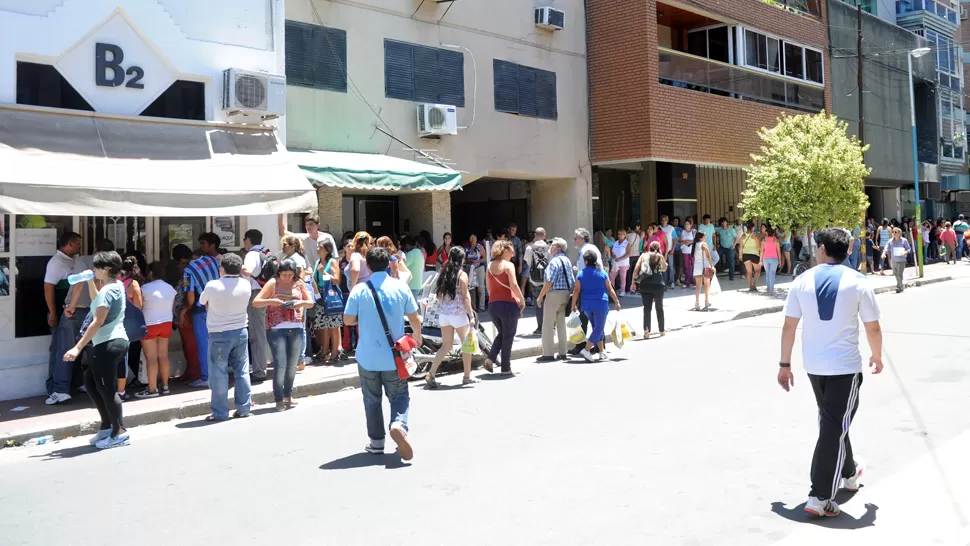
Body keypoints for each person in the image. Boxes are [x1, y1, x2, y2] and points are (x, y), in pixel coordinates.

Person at [778, 227, 882, 518]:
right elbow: (872, 326)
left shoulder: (801, 281)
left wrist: (784, 365)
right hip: (844, 368)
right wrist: (877, 355)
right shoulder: (858, 282)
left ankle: (850, 473)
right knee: (833, 426)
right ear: (848, 250)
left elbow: (789, 326)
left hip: (814, 367)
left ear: (822, 249)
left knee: (832, 422)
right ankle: (820, 495)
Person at [343, 247, 422, 461]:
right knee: (399, 395)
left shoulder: (359, 290)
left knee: (371, 399)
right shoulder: (400, 287)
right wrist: (417, 335)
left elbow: (348, 320)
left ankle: (377, 443)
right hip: (394, 357)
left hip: (367, 356)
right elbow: (414, 316)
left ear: (367, 266)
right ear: (389, 264)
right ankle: (398, 425)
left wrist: (365, 319)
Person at [62, 251, 130, 449]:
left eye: (97, 267)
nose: (94, 270)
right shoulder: (113, 286)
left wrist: (77, 347)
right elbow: (96, 303)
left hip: (109, 342)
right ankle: (107, 426)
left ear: (107, 269)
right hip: (110, 342)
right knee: (92, 384)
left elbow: (97, 321)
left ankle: (120, 432)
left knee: (107, 390)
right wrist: (90, 281)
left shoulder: (110, 290)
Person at [198, 253, 253, 421]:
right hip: (241, 330)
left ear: (222, 269)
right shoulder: (246, 284)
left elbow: (202, 301)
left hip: (219, 334)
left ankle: (220, 412)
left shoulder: (213, 285)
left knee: (219, 372)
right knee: (242, 370)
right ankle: (244, 407)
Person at [254, 259, 313, 411]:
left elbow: (310, 302)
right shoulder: (273, 283)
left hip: (296, 327)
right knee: (280, 364)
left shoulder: (299, 283)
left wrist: (300, 304)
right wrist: (272, 300)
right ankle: (279, 398)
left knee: (292, 364)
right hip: (276, 328)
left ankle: (288, 394)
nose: (287, 277)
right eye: (284, 274)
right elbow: (256, 302)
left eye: (290, 274)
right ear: (279, 272)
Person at [425, 246, 479, 388]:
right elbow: (466, 297)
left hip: (444, 315)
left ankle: (431, 373)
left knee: (446, 346)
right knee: (466, 347)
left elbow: (438, 295)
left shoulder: (443, 273)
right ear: (461, 259)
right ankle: (467, 377)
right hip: (459, 315)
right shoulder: (462, 275)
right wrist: (471, 315)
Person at [44, 231, 83, 405]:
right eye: (78, 244)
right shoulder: (56, 262)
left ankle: (74, 384)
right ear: (70, 244)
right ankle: (54, 388)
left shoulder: (74, 261)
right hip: (61, 312)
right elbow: (48, 288)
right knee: (58, 350)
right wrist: (52, 312)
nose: (80, 247)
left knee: (75, 349)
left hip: (73, 313)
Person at [179, 232, 222, 389]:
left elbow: (190, 298)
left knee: (203, 344)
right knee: (217, 342)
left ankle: (206, 377)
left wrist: (184, 310)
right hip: (218, 307)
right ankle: (219, 373)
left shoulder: (189, 270)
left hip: (201, 309)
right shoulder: (214, 261)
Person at [133, 262, 175, 398]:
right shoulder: (170, 288)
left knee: (151, 358)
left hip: (149, 323)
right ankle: (166, 386)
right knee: (163, 356)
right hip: (166, 323)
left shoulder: (144, 288)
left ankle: (152, 389)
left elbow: (137, 306)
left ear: (150, 273)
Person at [484, 240, 526, 375]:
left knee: (503, 333)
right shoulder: (508, 265)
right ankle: (505, 368)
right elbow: (514, 285)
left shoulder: (489, 266)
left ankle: (490, 360)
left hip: (493, 305)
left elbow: (488, 288)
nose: (513, 252)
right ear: (504, 250)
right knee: (508, 336)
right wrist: (522, 299)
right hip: (508, 304)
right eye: (511, 249)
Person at [572, 249, 622, 362]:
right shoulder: (603, 273)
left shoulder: (581, 273)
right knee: (599, 328)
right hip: (601, 303)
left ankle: (602, 351)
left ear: (585, 262)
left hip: (587, 305)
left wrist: (573, 304)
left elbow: (576, 291)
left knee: (597, 328)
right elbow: (609, 289)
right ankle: (587, 349)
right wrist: (617, 301)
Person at [535, 238, 575, 362]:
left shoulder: (554, 262)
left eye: (552, 246)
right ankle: (563, 352)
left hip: (554, 294)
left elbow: (549, 282)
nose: (549, 248)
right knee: (561, 324)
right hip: (565, 294)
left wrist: (540, 296)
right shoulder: (567, 260)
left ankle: (548, 353)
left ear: (558, 249)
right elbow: (572, 279)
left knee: (547, 324)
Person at [241, 229, 271, 384]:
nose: (244, 242)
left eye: (245, 239)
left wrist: (235, 266)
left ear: (249, 240)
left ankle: (259, 370)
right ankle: (260, 366)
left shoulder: (252, 254)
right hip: (264, 292)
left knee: (256, 332)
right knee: (258, 331)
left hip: (255, 294)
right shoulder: (265, 252)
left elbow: (247, 271)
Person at [568, 228, 603, 356]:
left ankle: (581, 346)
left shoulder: (584, 251)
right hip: (596, 288)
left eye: (575, 238)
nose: (574, 240)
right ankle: (598, 346)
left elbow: (584, 273)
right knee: (596, 319)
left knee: (584, 318)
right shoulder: (593, 248)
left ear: (582, 239)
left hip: (587, 290)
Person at [312, 239, 343, 362]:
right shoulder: (317, 262)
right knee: (323, 325)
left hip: (331, 295)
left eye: (320, 247)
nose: (317, 249)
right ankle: (325, 350)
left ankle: (335, 353)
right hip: (320, 295)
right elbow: (315, 279)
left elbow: (336, 280)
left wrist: (324, 272)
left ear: (327, 249)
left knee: (334, 325)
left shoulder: (333, 262)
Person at [118, 256, 144, 399]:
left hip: (118, 321)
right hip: (130, 323)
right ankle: (132, 380)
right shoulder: (133, 284)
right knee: (132, 354)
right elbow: (139, 307)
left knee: (121, 356)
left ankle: (119, 385)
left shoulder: (117, 283)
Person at [631, 241, 667, 339]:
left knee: (647, 308)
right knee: (659, 308)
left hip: (645, 284)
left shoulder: (643, 256)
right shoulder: (660, 256)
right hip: (658, 284)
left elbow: (636, 270)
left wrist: (633, 283)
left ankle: (646, 331)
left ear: (649, 247)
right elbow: (664, 269)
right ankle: (662, 330)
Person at [524, 228, 550, 333]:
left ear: (535, 235)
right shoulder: (549, 248)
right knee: (548, 304)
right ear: (545, 235)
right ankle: (551, 327)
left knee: (538, 304)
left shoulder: (530, 248)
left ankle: (540, 328)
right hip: (547, 281)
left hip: (535, 280)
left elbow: (527, 261)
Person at [882, 227, 912, 293]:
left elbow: (909, 249)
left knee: (899, 274)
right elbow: (886, 247)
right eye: (893, 232)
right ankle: (901, 286)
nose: (893, 233)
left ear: (899, 233)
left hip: (901, 260)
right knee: (895, 274)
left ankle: (899, 287)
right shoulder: (890, 241)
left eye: (895, 232)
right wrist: (884, 253)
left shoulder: (904, 240)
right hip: (894, 260)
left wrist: (905, 252)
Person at [465, 234, 487, 312]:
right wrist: (469, 262)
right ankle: (473, 307)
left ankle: (482, 306)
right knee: (472, 288)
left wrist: (476, 261)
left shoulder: (480, 247)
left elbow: (485, 258)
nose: (472, 238)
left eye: (474, 237)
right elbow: (465, 259)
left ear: (476, 239)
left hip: (479, 268)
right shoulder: (467, 248)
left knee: (481, 287)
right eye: (471, 237)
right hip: (471, 269)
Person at [402, 236, 426, 302]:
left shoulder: (411, 253)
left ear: (406, 245)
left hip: (411, 285)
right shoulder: (418, 252)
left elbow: (402, 265)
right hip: (417, 284)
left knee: (413, 309)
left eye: (404, 247)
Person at [739, 221, 761, 291]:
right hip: (754, 255)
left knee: (749, 272)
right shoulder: (755, 235)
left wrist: (740, 255)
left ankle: (750, 286)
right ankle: (754, 284)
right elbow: (759, 247)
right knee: (757, 270)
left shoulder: (743, 235)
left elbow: (741, 247)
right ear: (753, 227)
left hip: (745, 255)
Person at [609, 229, 631, 295]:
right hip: (615, 263)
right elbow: (611, 251)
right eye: (618, 234)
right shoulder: (615, 243)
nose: (619, 235)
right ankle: (612, 290)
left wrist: (620, 259)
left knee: (622, 278)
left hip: (623, 263)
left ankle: (622, 291)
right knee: (611, 276)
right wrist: (612, 254)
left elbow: (628, 253)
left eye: (621, 234)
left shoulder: (627, 243)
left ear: (624, 235)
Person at [761, 228, 782, 293]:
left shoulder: (763, 240)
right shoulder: (776, 241)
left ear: (767, 233)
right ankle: (771, 289)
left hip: (765, 258)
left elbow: (762, 251)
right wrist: (780, 261)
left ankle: (768, 288)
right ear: (773, 233)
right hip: (774, 258)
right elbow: (778, 252)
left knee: (767, 273)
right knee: (772, 273)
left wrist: (760, 260)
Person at [624, 223, 643, 293]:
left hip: (630, 255)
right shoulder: (638, 236)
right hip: (637, 255)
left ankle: (628, 287)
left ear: (629, 228)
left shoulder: (627, 236)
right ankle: (636, 287)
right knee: (636, 271)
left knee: (629, 272)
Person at [659, 215, 677, 288]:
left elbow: (675, 239)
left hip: (669, 250)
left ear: (667, 220)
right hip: (660, 250)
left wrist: (673, 249)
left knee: (671, 267)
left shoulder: (671, 228)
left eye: (665, 220)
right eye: (662, 220)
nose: (663, 221)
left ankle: (672, 282)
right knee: (662, 267)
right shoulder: (659, 228)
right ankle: (664, 282)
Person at [680, 220, 697, 290]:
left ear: (691, 225)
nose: (686, 225)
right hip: (685, 251)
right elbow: (680, 241)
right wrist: (685, 242)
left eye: (688, 224)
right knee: (687, 267)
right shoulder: (682, 232)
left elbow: (697, 240)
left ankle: (695, 282)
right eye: (685, 224)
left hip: (692, 251)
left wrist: (690, 241)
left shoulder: (694, 231)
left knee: (694, 266)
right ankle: (687, 283)